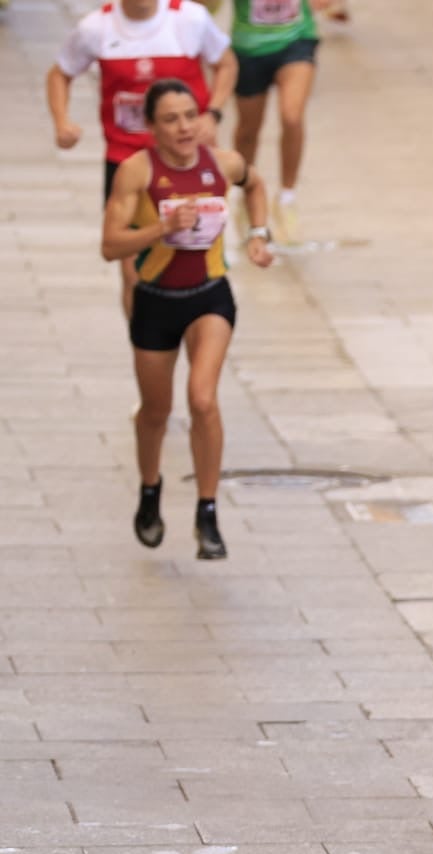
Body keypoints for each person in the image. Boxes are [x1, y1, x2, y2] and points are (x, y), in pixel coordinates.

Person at [102, 79, 274, 561]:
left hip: (209, 297)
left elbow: (256, 184)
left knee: (202, 399)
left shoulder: (221, 163)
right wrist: (161, 228)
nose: (184, 127)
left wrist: (259, 235)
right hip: (155, 301)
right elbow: (109, 245)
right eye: (171, 119)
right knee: (155, 412)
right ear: (152, 127)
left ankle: (207, 511)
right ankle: (150, 490)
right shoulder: (136, 172)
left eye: (189, 116)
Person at [49, 0, 236, 313]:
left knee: (194, 260)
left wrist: (212, 114)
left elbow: (226, 63)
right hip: (127, 161)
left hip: (185, 162)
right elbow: (59, 73)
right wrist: (61, 121)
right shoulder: (96, 27)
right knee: (133, 270)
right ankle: (147, 345)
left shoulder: (188, 18)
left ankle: (195, 333)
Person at [224, 0, 330, 246]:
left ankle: (287, 198)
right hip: (249, 49)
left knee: (292, 116)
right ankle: (244, 192)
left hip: (296, 41)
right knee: (249, 130)